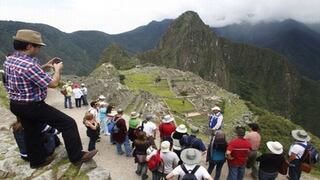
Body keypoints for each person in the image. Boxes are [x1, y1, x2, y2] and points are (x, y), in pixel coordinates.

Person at [3, 29, 97, 168]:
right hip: (33, 106)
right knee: (68, 123)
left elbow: (23, 72)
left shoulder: (10, 59)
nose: (39, 49)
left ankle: (37, 161)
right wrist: (57, 70)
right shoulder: (30, 65)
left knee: (31, 132)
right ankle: (77, 157)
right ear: (29, 46)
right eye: (38, 46)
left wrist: (44, 66)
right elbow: (53, 84)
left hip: (16, 105)